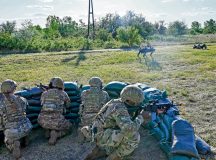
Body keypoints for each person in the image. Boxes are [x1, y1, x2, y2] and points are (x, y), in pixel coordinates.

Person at [82, 85, 145, 160]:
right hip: (101, 135)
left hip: (98, 131)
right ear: (128, 100)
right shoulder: (120, 109)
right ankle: (115, 157)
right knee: (134, 136)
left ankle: (104, 149)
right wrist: (141, 117)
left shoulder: (115, 102)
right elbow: (129, 130)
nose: (137, 104)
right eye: (136, 102)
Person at [0, 79, 32, 159]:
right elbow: (26, 109)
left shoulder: (1, 102)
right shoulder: (22, 99)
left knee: (8, 137)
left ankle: (14, 145)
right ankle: (25, 138)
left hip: (12, 131)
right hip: (26, 127)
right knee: (22, 122)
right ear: (13, 89)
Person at [38, 77, 72, 145]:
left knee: (48, 121)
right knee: (69, 127)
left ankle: (48, 131)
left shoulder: (44, 93)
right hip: (57, 121)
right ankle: (57, 134)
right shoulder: (63, 93)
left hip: (41, 121)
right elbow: (68, 105)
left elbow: (41, 104)